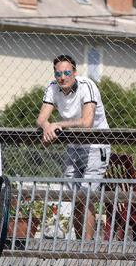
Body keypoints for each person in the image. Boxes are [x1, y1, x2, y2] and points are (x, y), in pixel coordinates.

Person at [36, 54, 110, 241]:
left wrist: (58, 124)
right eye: (58, 73)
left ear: (74, 73)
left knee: (87, 195)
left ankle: (86, 246)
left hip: (95, 144)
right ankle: (79, 242)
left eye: (67, 73)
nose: (62, 77)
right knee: (72, 195)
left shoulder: (87, 86)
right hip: (74, 145)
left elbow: (87, 123)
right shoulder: (53, 87)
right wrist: (47, 127)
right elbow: (41, 118)